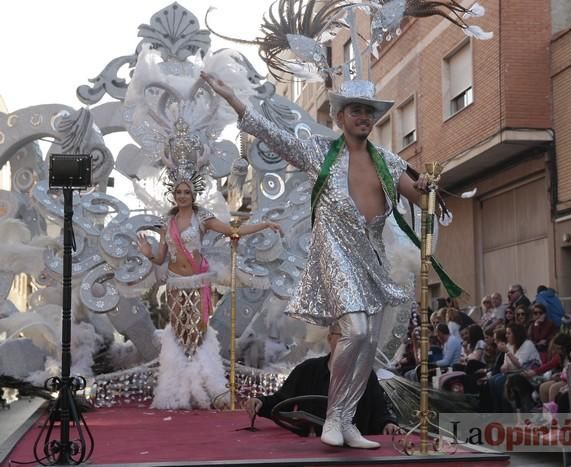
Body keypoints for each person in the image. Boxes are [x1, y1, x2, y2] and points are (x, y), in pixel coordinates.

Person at [202, 72, 442, 449]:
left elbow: (419, 198)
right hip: (334, 255)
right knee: (356, 331)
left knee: (366, 346)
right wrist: (232, 97)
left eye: (369, 111)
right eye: (356, 110)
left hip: (372, 262)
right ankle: (335, 414)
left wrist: (427, 188)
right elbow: (273, 135)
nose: (363, 116)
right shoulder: (319, 152)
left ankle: (346, 422)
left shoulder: (389, 163)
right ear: (341, 117)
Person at [137, 180, 281, 410]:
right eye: (178, 192)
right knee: (178, 333)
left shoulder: (202, 218)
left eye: (186, 192)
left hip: (197, 283)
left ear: (194, 195)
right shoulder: (167, 222)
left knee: (197, 333)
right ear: (173, 194)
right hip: (174, 282)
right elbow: (161, 258)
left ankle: (204, 389)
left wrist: (264, 224)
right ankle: (178, 392)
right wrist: (148, 254)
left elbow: (234, 231)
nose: (182, 196)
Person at [244, 324, 399, 437]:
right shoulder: (307, 370)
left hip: (352, 452)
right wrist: (260, 402)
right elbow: (281, 400)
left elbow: (381, 413)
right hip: (311, 449)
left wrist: (388, 424)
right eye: (341, 336)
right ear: (330, 338)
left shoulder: (365, 375)